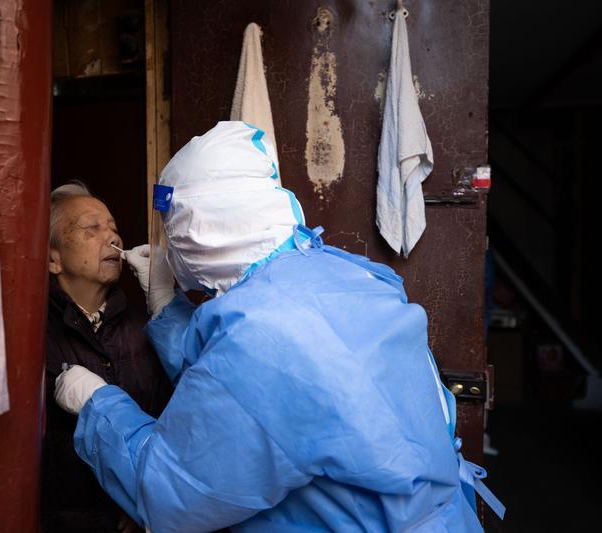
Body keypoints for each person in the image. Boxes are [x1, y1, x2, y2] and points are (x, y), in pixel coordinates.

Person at [53, 123, 503, 532]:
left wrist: (98, 404)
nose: (112, 238)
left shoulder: (260, 336)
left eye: (173, 229)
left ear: (197, 229)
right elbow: (238, 383)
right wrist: (167, 308)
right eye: (90, 228)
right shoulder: (342, 275)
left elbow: (170, 489)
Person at [42, 181, 172, 533]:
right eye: (92, 229)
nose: (113, 240)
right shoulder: (34, 335)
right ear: (53, 258)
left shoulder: (146, 328)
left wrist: (139, 503)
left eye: (114, 230)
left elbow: (171, 424)